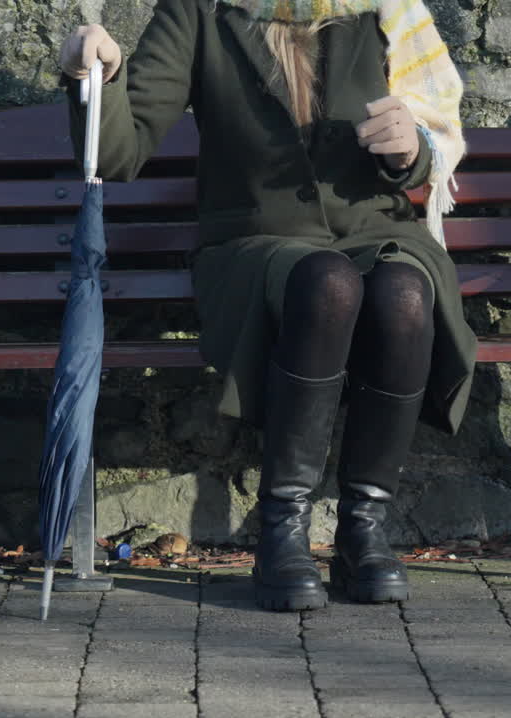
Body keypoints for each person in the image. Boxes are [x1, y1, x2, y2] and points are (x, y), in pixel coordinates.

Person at [59, 0, 478, 610]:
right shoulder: (198, 12)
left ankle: (366, 529)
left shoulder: (384, 9)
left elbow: (423, 150)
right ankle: (282, 530)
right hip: (253, 245)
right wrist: (94, 74)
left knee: (405, 293)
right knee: (328, 282)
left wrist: (407, 149)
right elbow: (117, 154)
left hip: (375, 231)